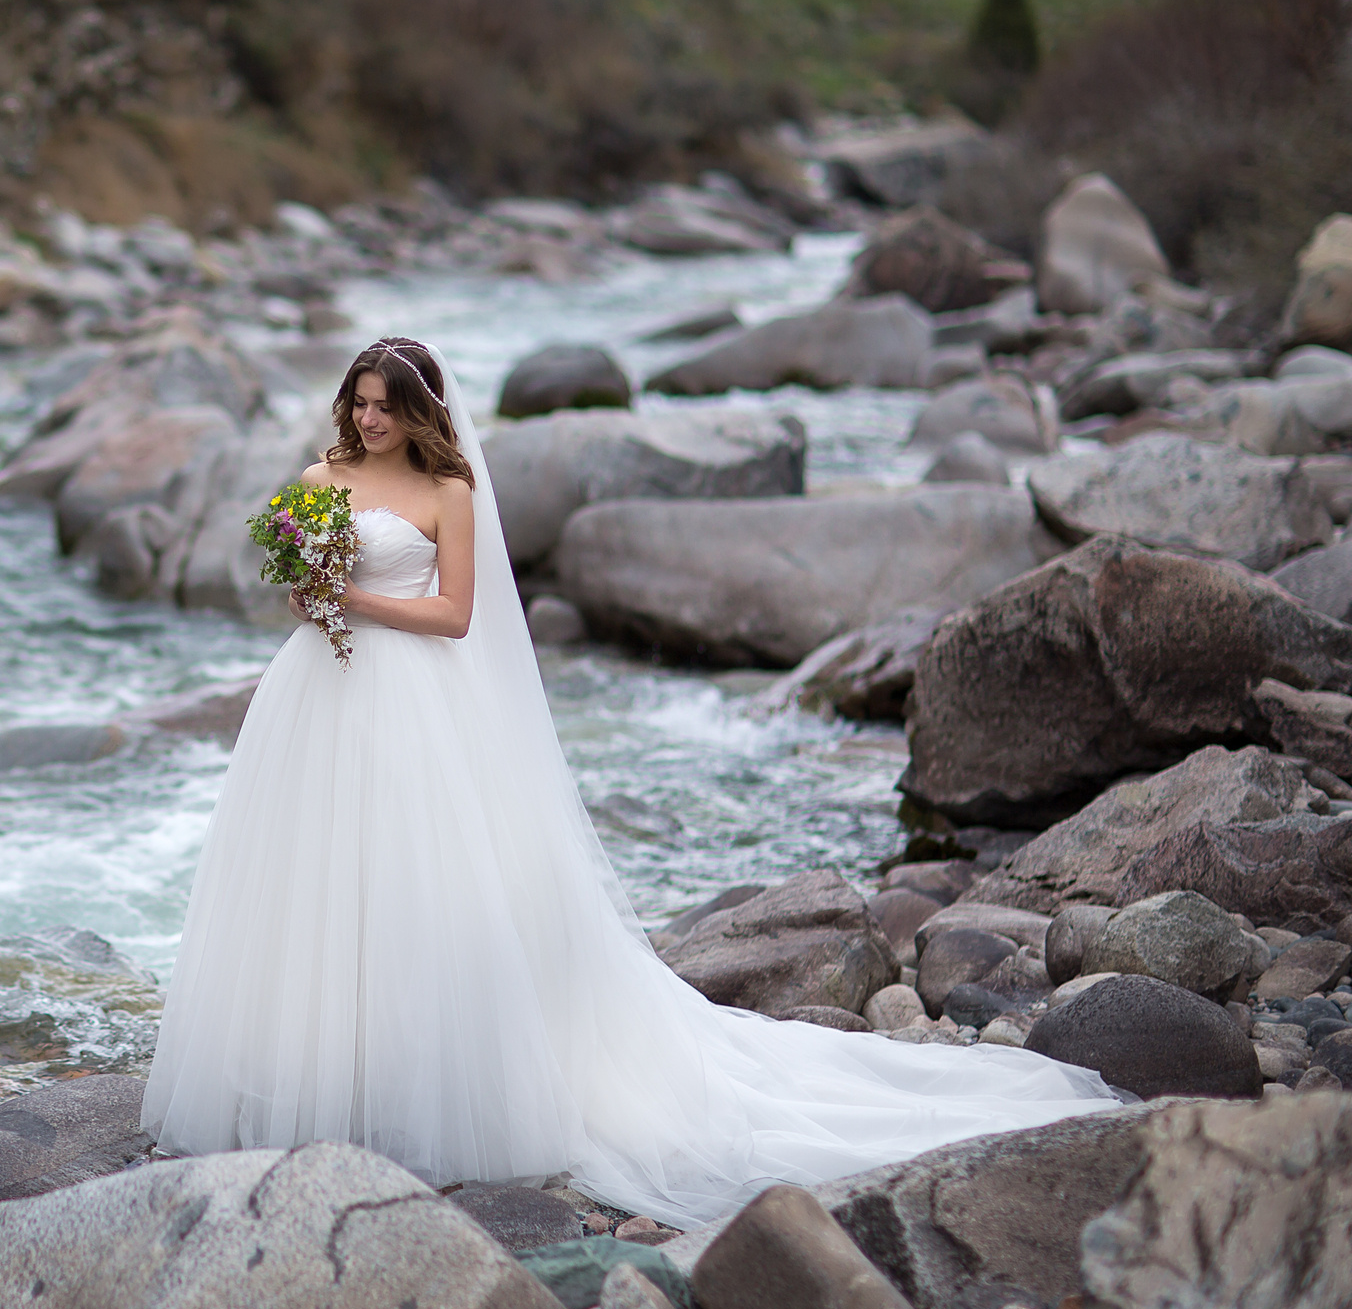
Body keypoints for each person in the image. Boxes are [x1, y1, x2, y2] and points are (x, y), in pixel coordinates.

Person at [140, 337, 1123, 1229]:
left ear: (421, 409)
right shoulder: (323, 477)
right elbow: (291, 580)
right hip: (318, 695)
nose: (366, 421)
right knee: (318, 877)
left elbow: (451, 616)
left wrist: (344, 593)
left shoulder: (449, 495)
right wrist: (304, 587)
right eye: (356, 404)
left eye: (383, 406)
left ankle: (429, 1082)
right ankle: (321, 1072)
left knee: (423, 877)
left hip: (410, 695)